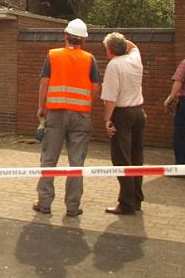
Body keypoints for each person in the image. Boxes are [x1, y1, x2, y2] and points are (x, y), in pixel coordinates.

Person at [33, 18, 100, 217]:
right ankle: (72, 207)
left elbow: (44, 82)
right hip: (81, 116)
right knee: (76, 163)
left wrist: (41, 107)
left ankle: (44, 203)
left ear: (65, 36)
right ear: (84, 41)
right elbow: (96, 87)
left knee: (49, 159)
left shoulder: (53, 56)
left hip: (55, 114)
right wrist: (87, 104)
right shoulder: (90, 59)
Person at [100, 32, 146, 215]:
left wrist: (107, 120)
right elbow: (133, 46)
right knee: (136, 157)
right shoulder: (135, 59)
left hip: (122, 114)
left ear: (110, 51)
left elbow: (111, 98)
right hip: (139, 112)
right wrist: (119, 41)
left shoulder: (114, 65)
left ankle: (126, 203)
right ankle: (136, 199)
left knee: (121, 159)